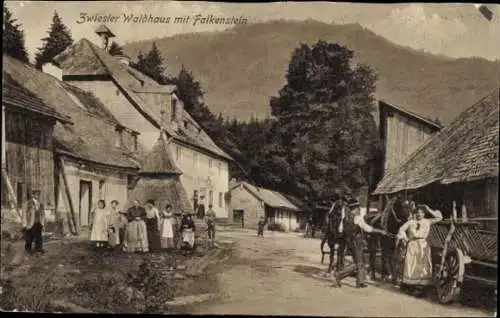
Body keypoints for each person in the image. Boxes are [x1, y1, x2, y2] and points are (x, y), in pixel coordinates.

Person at [333, 198, 386, 288]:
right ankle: (339, 274)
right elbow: (368, 228)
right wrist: (380, 231)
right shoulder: (357, 218)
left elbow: (341, 230)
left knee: (360, 262)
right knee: (359, 263)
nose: (359, 210)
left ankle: (360, 281)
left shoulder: (345, 218)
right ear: (355, 208)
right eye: (358, 208)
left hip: (350, 242)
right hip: (356, 242)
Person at [396, 204, 442, 294]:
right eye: (417, 213)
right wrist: (405, 238)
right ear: (415, 214)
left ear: (424, 214)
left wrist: (429, 209)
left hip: (423, 243)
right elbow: (401, 229)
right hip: (412, 244)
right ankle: (410, 285)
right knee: (412, 264)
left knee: (423, 264)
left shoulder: (427, 221)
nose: (419, 215)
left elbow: (439, 217)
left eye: (421, 213)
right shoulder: (411, 222)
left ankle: (422, 286)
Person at [22, 189, 45, 254]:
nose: (37, 196)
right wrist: (24, 224)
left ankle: (38, 249)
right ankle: (28, 249)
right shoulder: (28, 203)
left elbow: (43, 214)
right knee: (29, 237)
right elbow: (24, 213)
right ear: (33, 195)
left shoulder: (41, 204)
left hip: (38, 222)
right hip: (30, 222)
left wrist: (42, 223)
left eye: (38, 195)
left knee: (38, 236)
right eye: (36, 194)